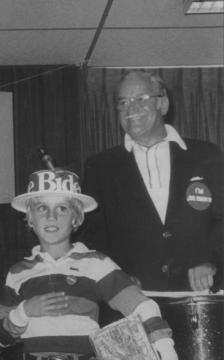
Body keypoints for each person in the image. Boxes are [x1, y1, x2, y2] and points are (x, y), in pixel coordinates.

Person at [0, 169, 178, 360]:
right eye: (41, 208)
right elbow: (0, 338)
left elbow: (142, 306)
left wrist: (165, 347)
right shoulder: (17, 272)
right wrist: (23, 312)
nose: (51, 216)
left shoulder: (97, 264)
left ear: (76, 218)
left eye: (62, 208)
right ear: (30, 218)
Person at [82, 70, 224, 291]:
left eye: (140, 99)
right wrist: (117, 278)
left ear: (163, 104)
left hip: (200, 297)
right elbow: (93, 237)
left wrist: (212, 261)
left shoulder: (207, 155)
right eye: (123, 102)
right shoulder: (100, 167)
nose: (131, 109)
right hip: (133, 304)